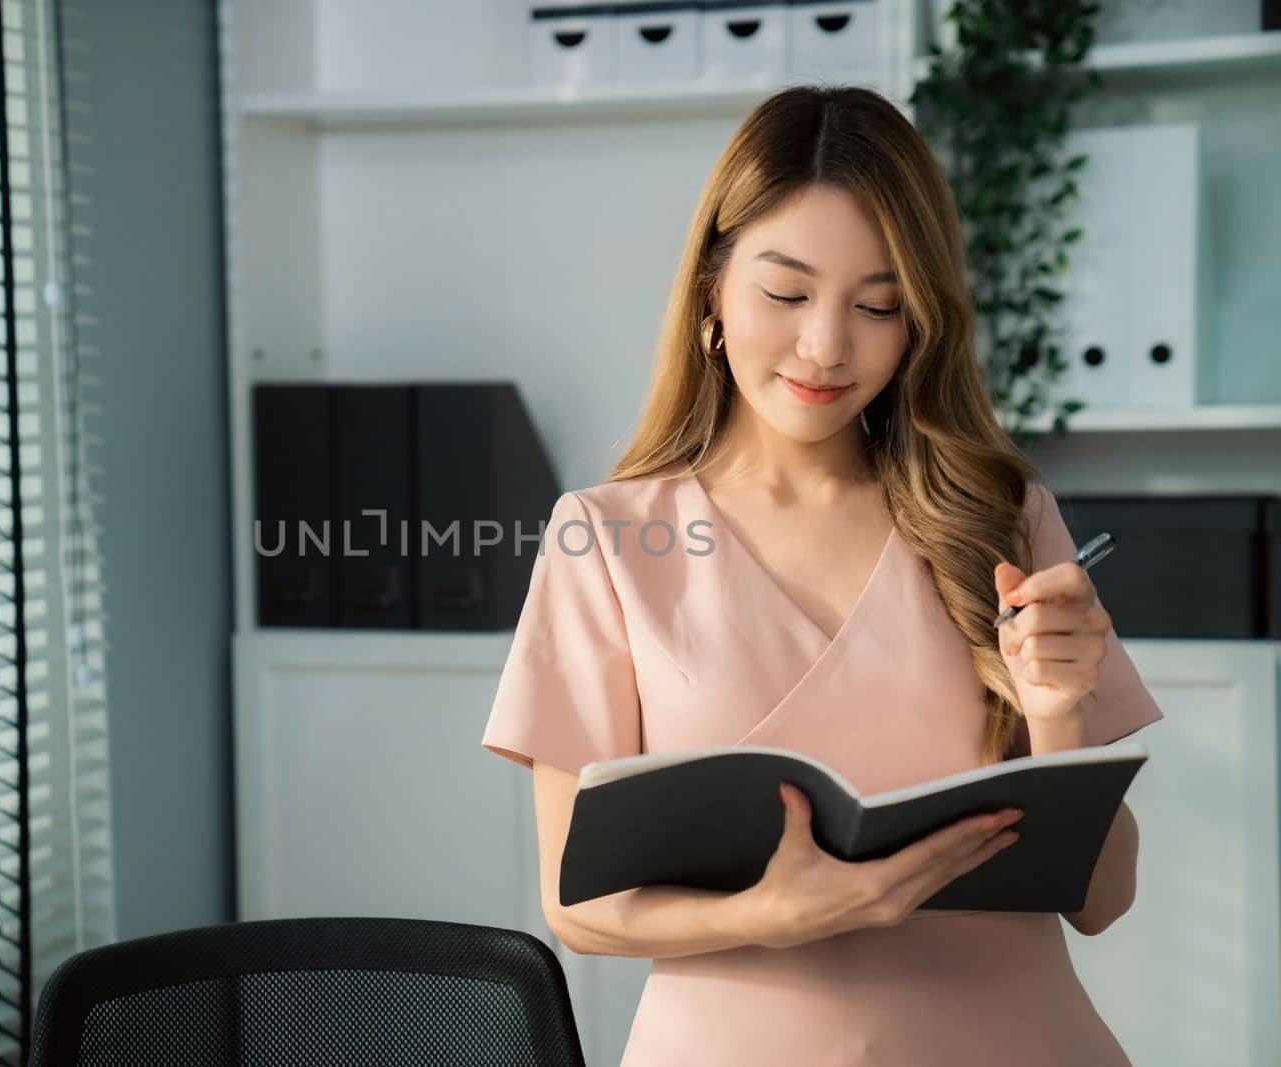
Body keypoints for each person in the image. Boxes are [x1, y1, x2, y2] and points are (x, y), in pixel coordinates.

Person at [478, 84, 1164, 1066]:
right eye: (786, 293)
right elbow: (579, 902)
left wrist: (1057, 713)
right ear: (712, 285)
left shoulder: (999, 514)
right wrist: (770, 913)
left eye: (877, 305)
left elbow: (1103, 899)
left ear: (918, 319)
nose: (825, 347)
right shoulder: (607, 537)